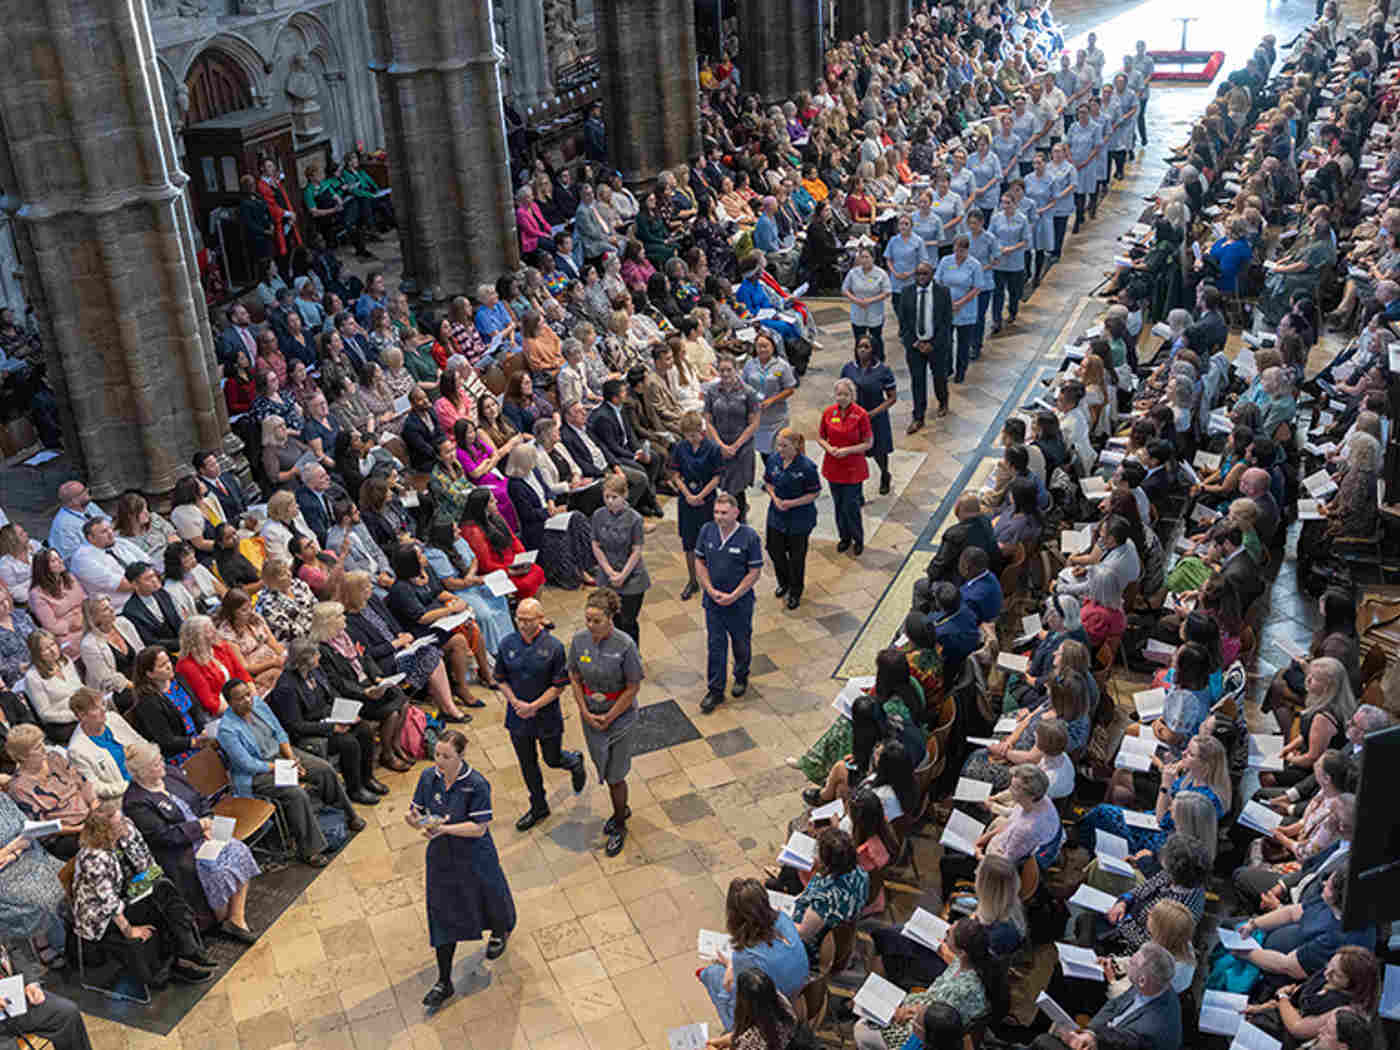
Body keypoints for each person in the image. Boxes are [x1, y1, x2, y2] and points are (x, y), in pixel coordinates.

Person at [409, 728, 516, 1009]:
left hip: (475, 856)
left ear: (461, 755)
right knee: (442, 914)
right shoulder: (427, 777)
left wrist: (441, 828)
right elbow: (417, 811)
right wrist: (416, 820)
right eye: (437, 755)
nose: (440, 761)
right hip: (442, 858)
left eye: (447, 756)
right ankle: (444, 981)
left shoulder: (477, 784)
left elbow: (479, 828)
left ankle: (500, 930)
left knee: (490, 899)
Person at [121, 740, 259, 943]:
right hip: (180, 848)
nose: (161, 766)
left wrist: (209, 821)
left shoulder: (171, 773)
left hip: (205, 831)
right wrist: (199, 828)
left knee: (239, 850)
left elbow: (199, 799)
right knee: (215, 870)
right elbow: (164, 836)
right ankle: (221, 920)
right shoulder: (135, 801)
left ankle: (236, 918)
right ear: (140, 772)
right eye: (155, 765)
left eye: (160, 760)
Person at [217, 677, 364, 867]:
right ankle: (309, 850)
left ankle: (348, 815)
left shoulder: (259, 705)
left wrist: (290, 758)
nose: (247, 700)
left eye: (248, 694)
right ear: (229, 703)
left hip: (280, 756)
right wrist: (280, 767)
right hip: (257, 773)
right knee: (295, 793)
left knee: (323, 769)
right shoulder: (227, 730)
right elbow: (247, 764)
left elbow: (279, 732)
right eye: (240, 698)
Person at [495, 598, 586, 831]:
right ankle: (538, 806)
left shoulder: (553, 647)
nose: (523, 624)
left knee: (551, 759)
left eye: (528, 620)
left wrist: (533, 706)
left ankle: (574, 761)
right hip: (518, 717)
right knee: (527, 764)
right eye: (520, 620)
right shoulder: (507, 644)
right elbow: (501, 679)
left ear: (541, 619)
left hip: (545, 716)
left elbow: (558, 686)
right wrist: (515, 701)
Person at [568, 587, 643, 856]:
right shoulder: (579, 641)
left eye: (597, 620)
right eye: (588, 619)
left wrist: (610, 715)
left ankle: (620, 824)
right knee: (603, 765)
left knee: (615, 775)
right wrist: (585, 712)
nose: (591, 625)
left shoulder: (625, 645)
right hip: (591, 716)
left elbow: (633, 686)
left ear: (610, 618)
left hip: (620, 718)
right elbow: (575, 676)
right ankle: (621, 807)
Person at [854, 918, 1002, 1050]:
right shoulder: (970, 964)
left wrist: (902, 1013)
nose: (945, 932)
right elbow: (951, 962)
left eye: (949, 934)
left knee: (861, 1029)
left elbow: (934, 1019)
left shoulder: (963, 990)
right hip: (926, 1011)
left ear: (963, 952)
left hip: (925, 1031)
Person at [698, 877, 809, 1033]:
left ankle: (732, 1032)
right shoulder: (783, 918)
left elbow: (738, 995)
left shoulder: (746, 956)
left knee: (712, 974)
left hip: (772, 1015)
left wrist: (730, 966)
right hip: (798, 992)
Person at [1032, 942, 1181, 1050]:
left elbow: (1124, 1041)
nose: (1128, 964)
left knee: (1044, 1042)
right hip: (1109, 1036)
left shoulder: (1153, 1028)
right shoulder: (1154, 985)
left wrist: (1091, 1040)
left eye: (1133, 963)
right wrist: (1090, 1031)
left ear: (1142, 980)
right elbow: (1114, 1004)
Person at [695, 491, 763, 713]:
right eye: (716, 512)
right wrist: (709, 588)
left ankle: (741, 675)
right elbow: (700, 561)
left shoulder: (749, 537)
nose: (719, 517)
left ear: (736, 512)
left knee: (741, 643)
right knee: (715, 646)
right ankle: (715, 690)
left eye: (724, 512)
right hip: (713, 603)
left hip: (739, 605)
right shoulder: (706, 531)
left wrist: (735, 594)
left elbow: (754, 571)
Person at [763, 428, 821, 611]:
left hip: (799, 519)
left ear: (796, 446)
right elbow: (768, 482)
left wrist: (791, 503)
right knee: (774, 550)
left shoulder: (807, 467)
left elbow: (814, 493)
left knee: (796, 558)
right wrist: (775, 498)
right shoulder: (773, 460)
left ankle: (795, 591)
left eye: (784, 446)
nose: (780, 449)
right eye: (778, 445)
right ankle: (784, 582)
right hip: (776, 516)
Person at [670, 410, 724, 601]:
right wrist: (688, 495)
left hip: (707, 499)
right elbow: (675, 475)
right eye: (688, 434)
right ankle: (692, 581)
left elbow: (717, 477)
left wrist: (700, 495)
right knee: (689, 542)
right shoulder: (679, 448)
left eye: (695, 433)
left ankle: (711, 580)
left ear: (701, 430)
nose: (692, 438)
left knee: (710, 540)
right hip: (687, 500)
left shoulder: (712, 448)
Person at [591, 473, 650, 646]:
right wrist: (609, 571)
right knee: (610, 620)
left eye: (614, 497)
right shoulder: (598, 515)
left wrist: (622, 575)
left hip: (631, 577)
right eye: (606, 497)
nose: (609, 501)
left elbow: (637, 549)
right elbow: (596, 545)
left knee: (628, 623)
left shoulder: (635, 519)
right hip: (607, 575)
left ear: (624, 495)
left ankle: (633, 657)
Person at [819, 377, 874, 555]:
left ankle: (858, 538)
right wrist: (830, 448)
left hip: (852, 467)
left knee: (851, 505)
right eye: (839, 394)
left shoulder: (861, 415)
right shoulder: (828, 413)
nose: (841, 397)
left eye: (845, 394)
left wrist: (848, 450)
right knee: (838, 505)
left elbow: (868, 443)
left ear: (852, 395)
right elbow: (821, 437)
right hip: (833, 465)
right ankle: (844, 537)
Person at [703, 355, 761, 521]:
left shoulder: (749, 393)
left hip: (741, 448)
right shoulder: (712, 392)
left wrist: (735, 446)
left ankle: (740, 522)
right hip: (719, 446)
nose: (726, 373)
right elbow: (708, 421)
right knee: (722, 485)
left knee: (737, 489)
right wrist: (720, 445)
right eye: (722, 370)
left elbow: (754, 423)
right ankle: (725, 517)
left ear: (736, 371)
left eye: (729, 370)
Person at [841, 336, 898, 496]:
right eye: (860, 346)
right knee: (856, 454)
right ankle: (857, 490)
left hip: (875, 417)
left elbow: (892, 397)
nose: (862, 350)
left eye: (866, 346)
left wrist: (873, 413)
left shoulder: (883, 370)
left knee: (879, 451)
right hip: (854, 417)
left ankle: (885, 474)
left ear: (873, 349)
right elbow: (842, 391)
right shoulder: (848, 368)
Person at [65, 687, 143, 799]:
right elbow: (95, 787)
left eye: (102, 704)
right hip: (124, 794)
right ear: (82, 715)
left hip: (145, 775)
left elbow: (141, 742)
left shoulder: (113, 718)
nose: (103, 710)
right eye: (96, 708)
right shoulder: (77, 750)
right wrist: (129, 787)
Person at [843, 248, 892, 361]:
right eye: (862, 257)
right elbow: (845, 289)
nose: (864, 260)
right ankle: (859, 361)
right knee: (859, 339)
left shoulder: (881, 274)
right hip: (857, 312)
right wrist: (856, 300)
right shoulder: (853, 273)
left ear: (873, 258)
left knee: (876, 338)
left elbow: (887, 292)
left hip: (875, 312)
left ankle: (878, 360)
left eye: (867, 257)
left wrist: (870, 300)